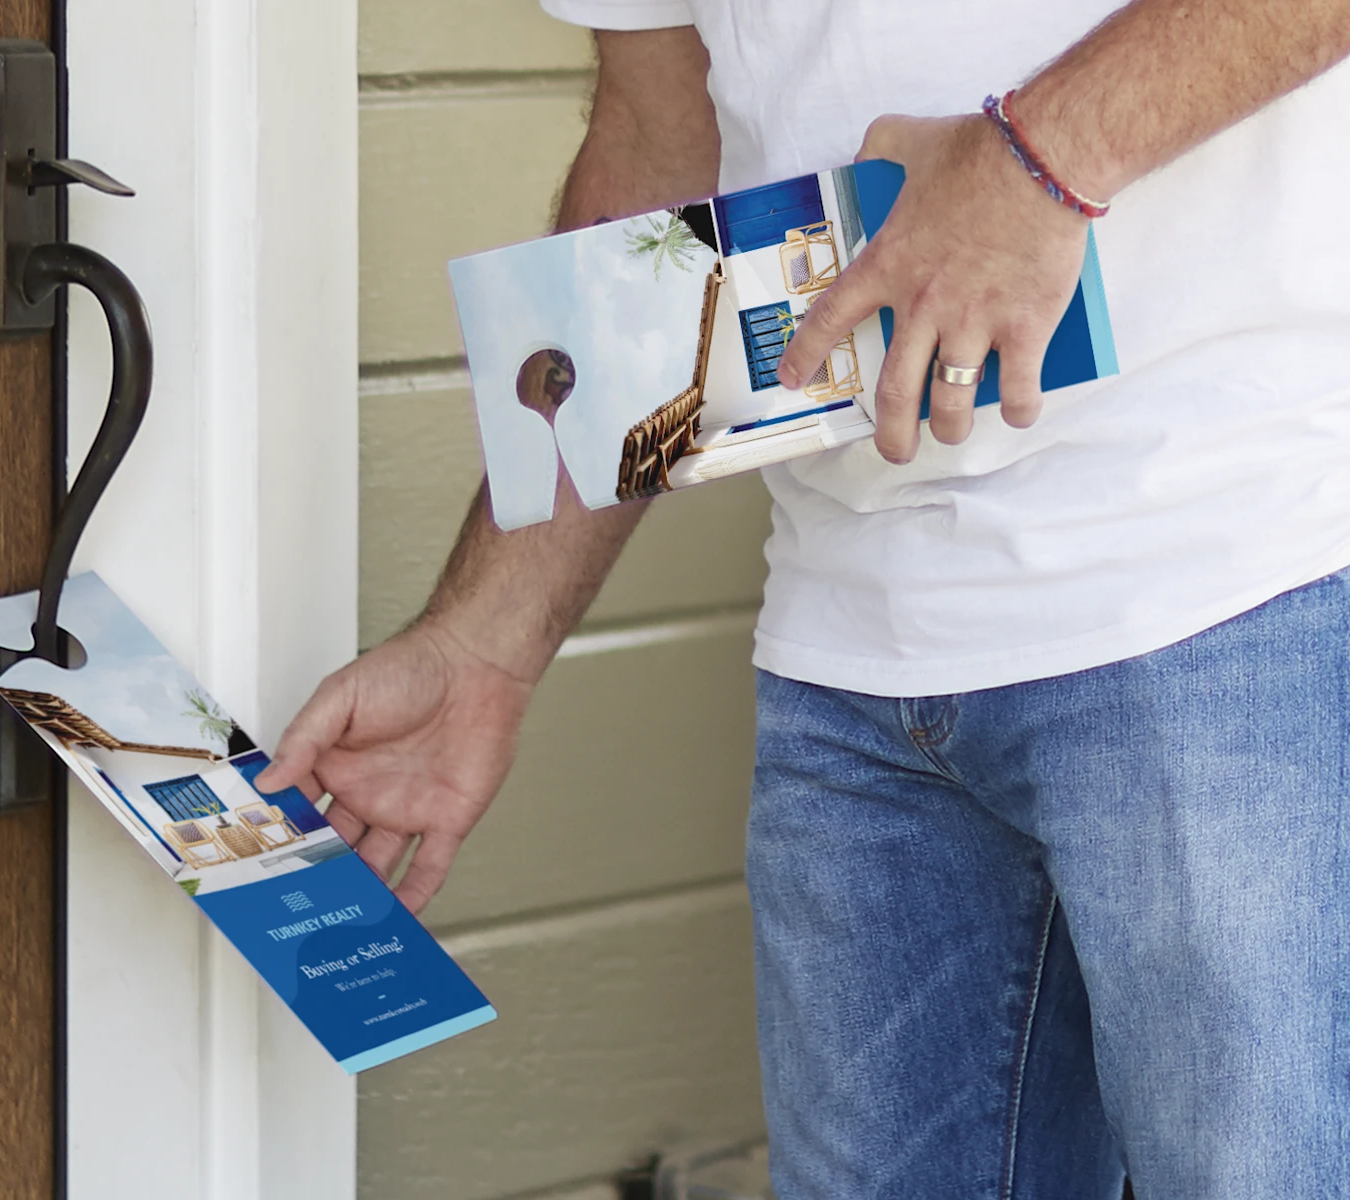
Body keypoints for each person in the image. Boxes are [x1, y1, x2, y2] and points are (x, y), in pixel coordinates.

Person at [256, 1, 1350, 1194]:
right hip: (850, 658)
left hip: (1233, 586)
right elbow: (660, 136)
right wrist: (485, 639)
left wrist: (1039, 160)